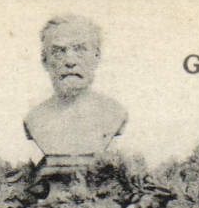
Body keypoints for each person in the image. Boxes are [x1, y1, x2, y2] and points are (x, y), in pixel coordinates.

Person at [23, 15, 128, 160]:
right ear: (45, 61)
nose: (70, 61)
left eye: (80, 50)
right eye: (59, 51)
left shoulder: (115, 113)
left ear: (97, 57)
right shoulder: (34, 119)